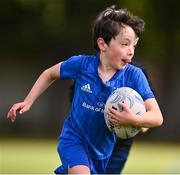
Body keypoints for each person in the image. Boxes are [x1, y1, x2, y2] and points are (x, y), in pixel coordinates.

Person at [7, 6, 163, 174]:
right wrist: (28, 101)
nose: (131, 51)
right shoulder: (81, 65)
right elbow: (49, 74)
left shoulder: (134, 75)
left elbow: (157, 116)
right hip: (74, 139)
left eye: (134, 45)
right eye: (125, 44)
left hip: (102, 152)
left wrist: (134, 119)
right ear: (102, 43)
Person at [68, 62, 153, 174]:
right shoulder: (89, 70)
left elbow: (148, 120)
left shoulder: (138, 74)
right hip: (90, 139)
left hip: (118, 146)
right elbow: (77, 106)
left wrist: (132, 119)